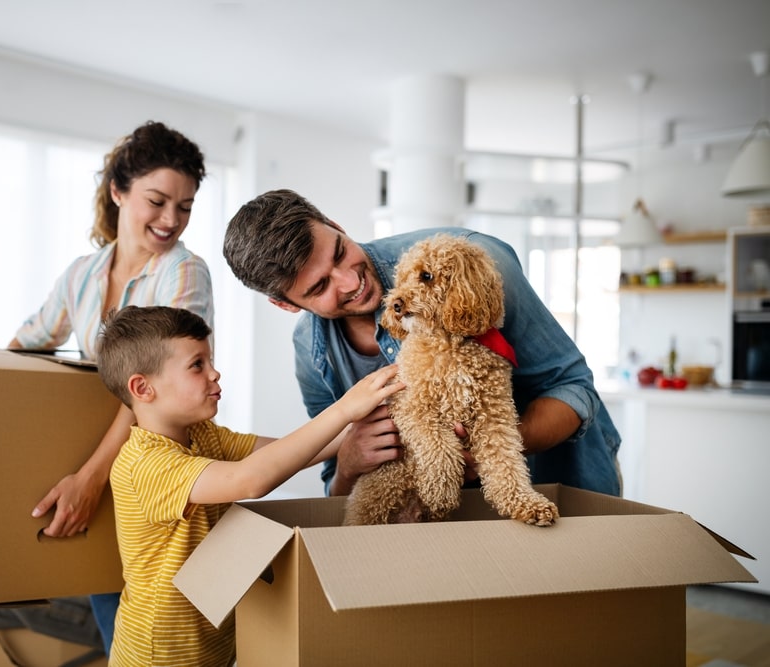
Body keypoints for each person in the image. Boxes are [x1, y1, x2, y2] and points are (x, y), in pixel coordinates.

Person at [222, 188, 622, 499]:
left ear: (334, 224)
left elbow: (573, 388)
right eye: (320, 286)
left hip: (560, 487)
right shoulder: (311, 350)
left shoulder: (472, 264)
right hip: (448, 527)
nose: (350, 281)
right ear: (285, 304)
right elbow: (335, 493)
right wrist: (347, 463)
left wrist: (491, 449)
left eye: (340, 253)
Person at [95, 305, 403, 666]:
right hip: (159, 656)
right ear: (142, 388)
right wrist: (344, 410)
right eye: (197, 365)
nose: (215, 373)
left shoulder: (201, 435)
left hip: (215, 643)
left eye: (210, 360)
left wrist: (366, 427)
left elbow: (288, 454)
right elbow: (251, 480)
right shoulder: (144, 464)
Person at [8, 120, 212, 653]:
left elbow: (155, 390)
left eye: (185, 206)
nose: (172, 219)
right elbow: (26, 343)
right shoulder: (81, 274)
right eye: (158, 200)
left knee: (158, 630)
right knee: (116, 624)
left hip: (153, 469)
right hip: (100, 460)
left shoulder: (183, 273)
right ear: (119, 192)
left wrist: (91, 478)